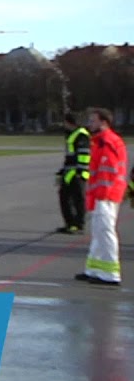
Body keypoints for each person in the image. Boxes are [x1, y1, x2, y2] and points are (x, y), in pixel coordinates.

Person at [75, 108, 128, 287]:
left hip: (106, 195)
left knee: (105, 231)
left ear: (103, 122)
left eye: (93, 121)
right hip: (101, 194)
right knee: (98, 232)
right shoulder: (99, 142)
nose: (90, 124)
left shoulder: (107, 142)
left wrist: (102, 195)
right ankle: (95, 269)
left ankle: (111, 273)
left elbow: (109, 172)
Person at [56, 112, 91, 234]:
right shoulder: (71, 134)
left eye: (65, 122)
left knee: (77, 199)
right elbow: (70, 156)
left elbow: (84, 154)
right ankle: (70, 223)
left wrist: (81, 171)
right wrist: (62, 171)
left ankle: (78, 224)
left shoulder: (81, 135)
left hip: (77, 173)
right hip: (69, 171)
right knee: (64, 198)